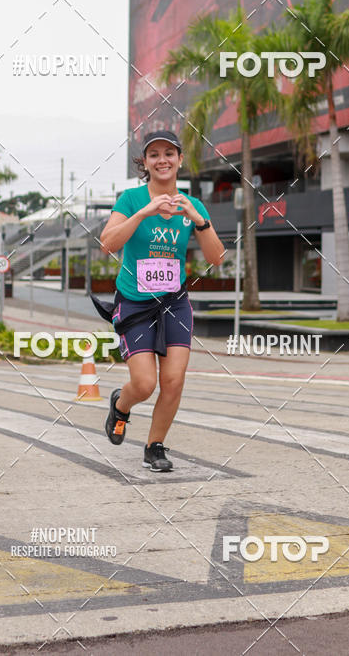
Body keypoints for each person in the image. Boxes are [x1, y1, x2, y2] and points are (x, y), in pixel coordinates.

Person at [95, 130, 224, 472]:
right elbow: (107, 244)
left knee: (174, 381)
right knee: (144, 384)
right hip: (136, 302)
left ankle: (155, 447)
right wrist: (144, 213)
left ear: (180, 160)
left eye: (170, 153)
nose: (162, 159)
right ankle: (121, 406)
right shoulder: (131, 199)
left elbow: (216, 257)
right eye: (154, 155)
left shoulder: (191, 205)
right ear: (146, 164)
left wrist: (201, 221)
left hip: (174, 303)